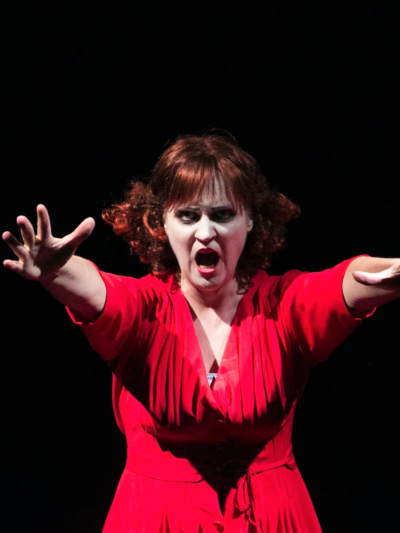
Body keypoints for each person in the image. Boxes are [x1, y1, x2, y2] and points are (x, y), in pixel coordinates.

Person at [2, 132, 400, 533]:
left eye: (222, 214)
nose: (205, 232)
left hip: (274, 518)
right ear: (161, 223)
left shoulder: (283, 305)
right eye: (188, 216)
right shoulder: (144, 310)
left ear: (250, 220)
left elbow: (346, 280)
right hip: (154, 519)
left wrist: (391, 268)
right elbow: (98, 290)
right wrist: (57, 272)